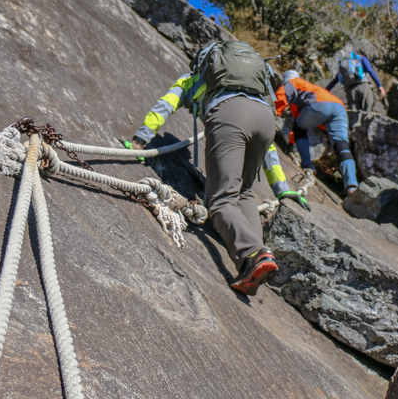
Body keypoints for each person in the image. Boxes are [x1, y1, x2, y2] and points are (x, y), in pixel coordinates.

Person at [129, 42, 308, 296]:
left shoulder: (193, 78)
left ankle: (253, 254)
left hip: (230, 114)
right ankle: (254, 259)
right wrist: (281, 189)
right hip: (265, 119)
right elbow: (268, 149)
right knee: (243, 191)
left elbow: (166, 104)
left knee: (221, 200)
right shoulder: (256, 88)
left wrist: (140, 140)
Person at [274, 70, 359, 196]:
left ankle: (308, 165)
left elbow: (280, 100)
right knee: (341, 146)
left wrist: (271, 114)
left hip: (319, 104)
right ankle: (352, 186)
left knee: (299, 129)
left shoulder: (291, 82)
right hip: (339, 106)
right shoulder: (310, 86)